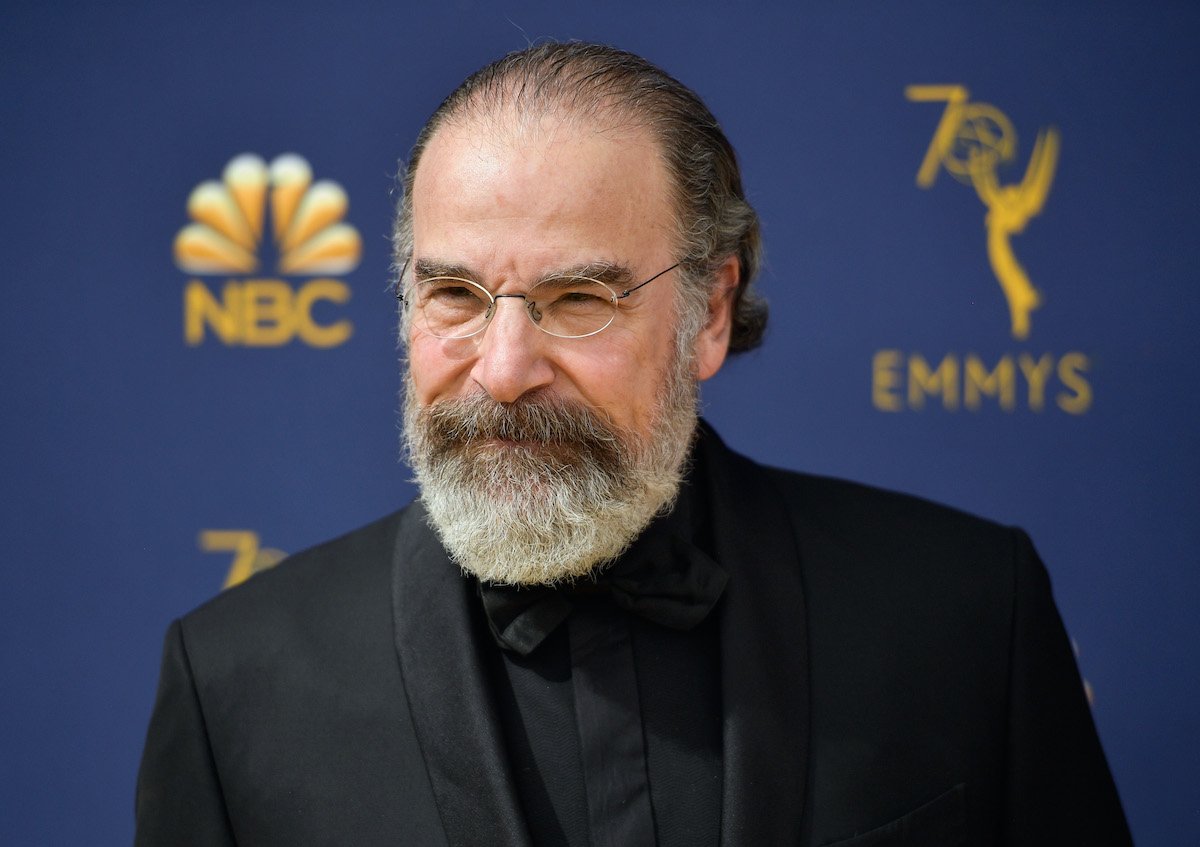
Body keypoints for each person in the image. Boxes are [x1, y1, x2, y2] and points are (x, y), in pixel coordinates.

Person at [136, 42, 1131, 846]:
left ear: (709, 311)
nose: (503, 367)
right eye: (454, 296)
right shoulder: (234, 685)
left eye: (578, 299)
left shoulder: (965, 616)